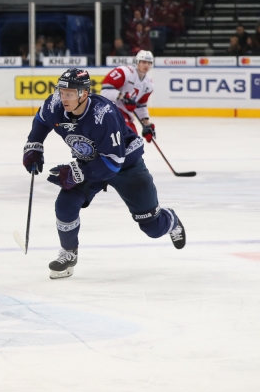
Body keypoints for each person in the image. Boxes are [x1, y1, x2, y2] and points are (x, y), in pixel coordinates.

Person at [22, 68, 185, 279]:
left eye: (70, 93)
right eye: (62, 91)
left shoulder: (103, 114)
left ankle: (170, 219)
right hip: (90, 162)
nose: (63, 97)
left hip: (126, 165)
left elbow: (113, 163)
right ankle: (69, 253)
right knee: (65, 204)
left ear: (84, 94)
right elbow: (42, 120)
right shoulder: (55, 103)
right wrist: (34, 145)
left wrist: (76, 172)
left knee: (152, 228)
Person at [99, 50, 158, 144]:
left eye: (149, 63)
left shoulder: (149, 84)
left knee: (135, 141)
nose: (146, 65)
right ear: (137, 62)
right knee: (127, 138)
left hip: (126, 114)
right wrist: (122, 96)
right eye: (143, 62)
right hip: (111, 109)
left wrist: (146, 124)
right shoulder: (124, 72)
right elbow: (104, 91)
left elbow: (141, 105)